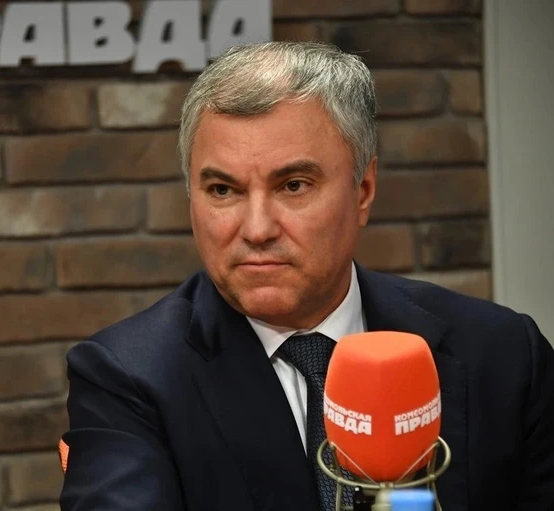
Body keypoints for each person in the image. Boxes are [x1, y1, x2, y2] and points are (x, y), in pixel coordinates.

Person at [59, 41, 554, 511]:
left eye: (293, 185)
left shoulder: (504, 354)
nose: (256, 229)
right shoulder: (125, 378)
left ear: (363, 190)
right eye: (223, 190)